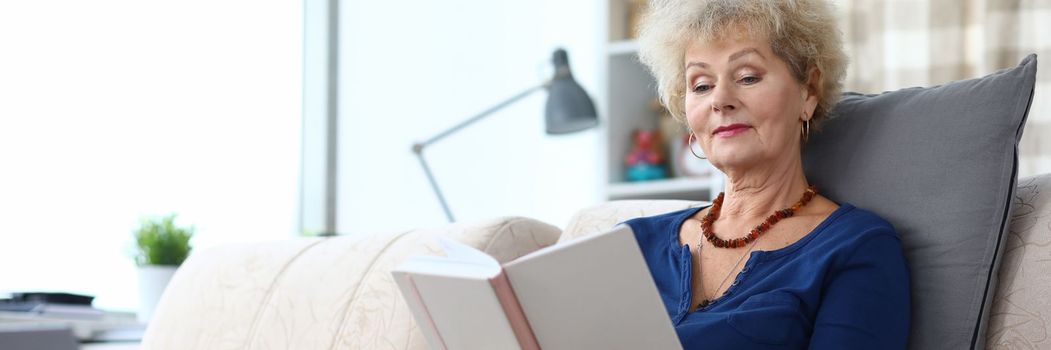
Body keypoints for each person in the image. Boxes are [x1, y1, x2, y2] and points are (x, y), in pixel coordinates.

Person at [625, 0, 910, 348]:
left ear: (809, 92)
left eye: (747, 77)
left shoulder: (855, 247)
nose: (720, 100)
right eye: (701, 85)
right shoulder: (629, 245)